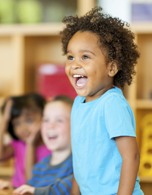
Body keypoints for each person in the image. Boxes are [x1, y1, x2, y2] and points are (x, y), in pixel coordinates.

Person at [60, 6, 143, 195]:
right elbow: (80, 160)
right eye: (70, 57)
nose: (75, 64)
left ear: (112, 68)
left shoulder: (111, 104)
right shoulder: (78, 104)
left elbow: (131, 157)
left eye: (85, 57)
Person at [13, 95, 73, 195]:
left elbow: (67, 188)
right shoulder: (39, 167)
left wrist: (35, 191)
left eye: (59, 120)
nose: (50, 125)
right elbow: (29, 189)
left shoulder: (78, 164)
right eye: (46, 120)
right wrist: (13, 188)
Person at [0, 93, 51, 189]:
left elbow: (31, 183)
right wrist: (5, 119)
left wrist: (31, 145)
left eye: (29, 121)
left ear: (45, 117)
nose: (23, 128)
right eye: (17, 123)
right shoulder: (17, 145)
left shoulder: (52, 148)